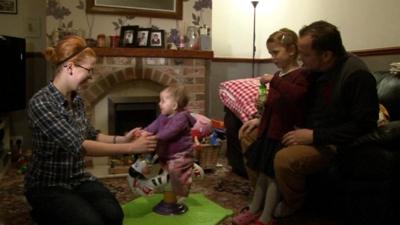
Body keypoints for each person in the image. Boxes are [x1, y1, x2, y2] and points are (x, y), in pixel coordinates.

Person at [24, 35, 157, 225]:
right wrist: (131, 148)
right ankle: (42, 212)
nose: (91, 76)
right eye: (89, 70)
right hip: (48, 185)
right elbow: (80, 146)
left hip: (77, 179)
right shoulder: (41, 103)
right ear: (70, 66)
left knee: (114, 216)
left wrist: (125, 139)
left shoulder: (76, 99)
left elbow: (91, 134)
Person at [272, 20, 379, 218]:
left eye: (305, 55)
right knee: (257, 136)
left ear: (327, 55)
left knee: (284, 159)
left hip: (334, 143)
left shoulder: (356, 75)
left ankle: (294, 205)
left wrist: (315, 136)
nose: (301, 60)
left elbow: (364, 125)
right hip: (311, 131)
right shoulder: (317, 70)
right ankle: (268, 198)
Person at [232, 28, 311, 225]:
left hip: (283, 135)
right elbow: (275, 104)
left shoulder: (301, 75)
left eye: (276, 52)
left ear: (292, 50)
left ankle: (266, 218)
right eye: (270, 53)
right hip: (269, 132)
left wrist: (274, 81)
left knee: (273, 177)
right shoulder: (280, 75)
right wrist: (261, 113)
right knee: (262, 175)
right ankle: (253, 209)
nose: (273, 57)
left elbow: (297, 96)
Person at [135, 84, 197, 201]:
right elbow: (154, 126)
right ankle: (161, 185)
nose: (159, 103)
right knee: (159, 166)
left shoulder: (182, 117)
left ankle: (182, 192)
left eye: (163, 101)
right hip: (167, 153)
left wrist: (156, 137)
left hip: (181, 154)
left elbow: (171, 131)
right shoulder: (163, 116)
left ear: (174, 105)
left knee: (177, 172)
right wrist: (145, 132)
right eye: (160, 100)